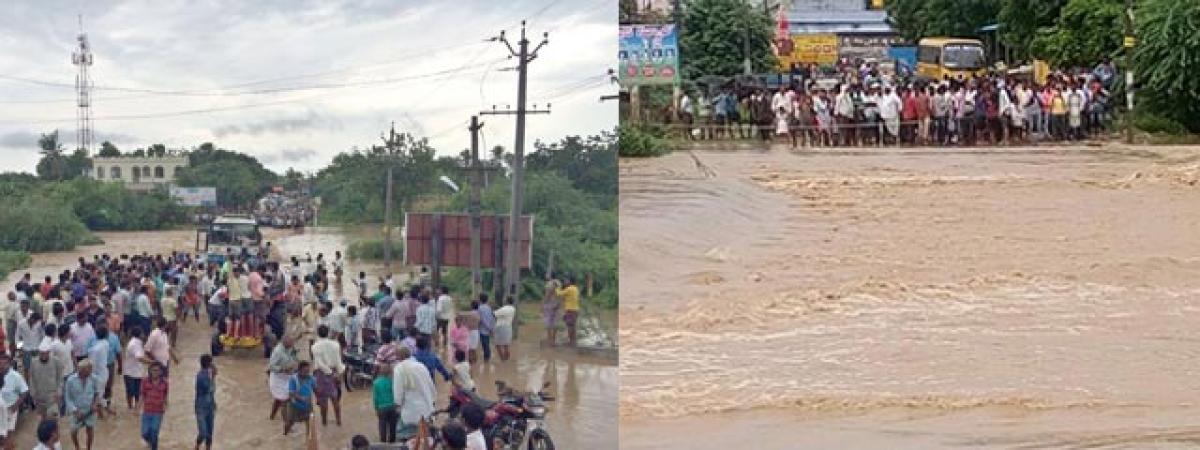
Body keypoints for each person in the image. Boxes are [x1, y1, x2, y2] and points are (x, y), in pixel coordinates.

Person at [392, 347, 436, 439]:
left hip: (410, 412)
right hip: (426, 410)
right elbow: (431, 386)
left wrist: (397, 405)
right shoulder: (421, 366)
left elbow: (398, 393)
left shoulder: (399, 369)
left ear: (399, 357)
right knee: (425, 439)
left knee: (408, 439)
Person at [310, 325, 344, 426]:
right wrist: (338, 374)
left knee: (323, 400)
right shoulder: (335, 345)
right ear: (328, 332)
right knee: (335, 398)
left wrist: (328, 373)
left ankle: (324, 422)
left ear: (318, 333)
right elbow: (338, 361)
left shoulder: (315, 346)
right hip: (334, 372)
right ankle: (338, 421)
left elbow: (319, 363)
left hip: (321, 374)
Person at [63, 359, 99, 450]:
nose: (90, 372)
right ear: (81, 370)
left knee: (90, 429)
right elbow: (67, 398)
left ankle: (88, 448)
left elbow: (97, 393)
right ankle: (77, 447)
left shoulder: (93, 378)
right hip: (76, 410)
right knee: (73, 431)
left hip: (90, 409)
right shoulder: (70, 380)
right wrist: (75, 411)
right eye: (88, 370)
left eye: (91, 370)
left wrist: (95, 404)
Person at [268, 335, 300, 421]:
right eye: (291, 342)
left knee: (279, 399)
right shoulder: (278, 351)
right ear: (285, 342)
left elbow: (294, 360)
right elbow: (271, 366)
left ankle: (272, 417)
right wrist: (283, 369)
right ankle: (287, 425)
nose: (293, 344)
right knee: (284, 401)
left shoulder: (290, 348)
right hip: (278, 378)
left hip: (287, 377)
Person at [29, 340, 63, 420]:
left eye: (46, 353)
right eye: (42, 353)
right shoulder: (34, 362)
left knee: (53, 419)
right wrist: (33, 394)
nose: (44, 355)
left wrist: (59, 392)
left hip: (52, 395)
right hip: (39, 395)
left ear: (49, 352)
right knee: (42, 417)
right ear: (39, 353)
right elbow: (31, 378)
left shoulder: (56, 361)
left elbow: (60, 378)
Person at [0, 353, 26, 449]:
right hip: (1, 408)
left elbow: (24, 392)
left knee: (8, 435)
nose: (2, 366)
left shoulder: (16, 376)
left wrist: (16, 405)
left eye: (4, 363)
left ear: (10, 364)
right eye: (0, 363)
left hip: (11, 408)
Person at [140, 362, 168, 450]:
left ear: (160, 372)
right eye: (153, 370)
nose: (155, 372)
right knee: (144, 433)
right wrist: (137, 409)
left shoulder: (165, 383)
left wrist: (165, 405)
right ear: (150, 371)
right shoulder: (145, 381)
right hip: (147, 410)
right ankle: (150, 442)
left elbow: (166, 395)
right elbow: (142, 395)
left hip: (158, 411)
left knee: (154, 431)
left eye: (157, 370)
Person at [284, 360, 315, 436]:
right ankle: (285, 434)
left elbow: (315, 389)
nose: (307, 373)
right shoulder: (293, 379)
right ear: (299, 370)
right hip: (295, 406)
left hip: (307, 405)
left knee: (310, 425)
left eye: (308, 371)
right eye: (305, 371)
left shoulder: (311, 378)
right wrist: (302, 398)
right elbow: (291, 393)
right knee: (289, 423)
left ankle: (308, 443)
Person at [194, 354, 217, 450]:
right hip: (201, 406)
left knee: (209, 431)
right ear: (208, 363)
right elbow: (208, 389)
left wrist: (214, 402)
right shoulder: (201, 376)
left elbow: (211, 392)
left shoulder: (207, 373)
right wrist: (213, 376)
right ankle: (198, 445)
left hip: (209, 404)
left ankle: (207, 447)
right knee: (204, 432)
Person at [372, 363, 397, 443]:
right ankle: (392, 441)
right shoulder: (392, 381)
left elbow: (375, 398)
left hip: (381, 408)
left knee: (382, 426)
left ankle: (383, 442)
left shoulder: (376, 383)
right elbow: (395, 393)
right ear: (390, 372)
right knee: (392, 425)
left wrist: (376, 408)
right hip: (392, 406)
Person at [123, 326, 146, 410]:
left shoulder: (137, 343)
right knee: (132, 392)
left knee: (135, 392)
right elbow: (139, 357)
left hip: (135, 371)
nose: (143, 335)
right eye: (142, 333)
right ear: (140, 334)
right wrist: (151, 362)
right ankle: (131, 408)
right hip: (131, 372)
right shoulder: (134, 344)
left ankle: (134, 408)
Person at [557, 277, 581, 347]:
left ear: (570, 281)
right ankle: (573, 341)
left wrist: (558, 287)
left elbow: (559, 294)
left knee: (570, 326)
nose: (565, 282)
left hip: (570, 310)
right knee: (573, 326)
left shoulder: (569, 289)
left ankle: (571, 342)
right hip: (575, 310)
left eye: (566, 281)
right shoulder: (576, 288)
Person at [493, 297, 515, 361]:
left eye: (504, 300)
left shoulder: (503, 309)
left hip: (501, 327)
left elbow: (494, 314)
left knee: (497, 345)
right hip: (508, 327)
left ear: (506, 301)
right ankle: (506, 360)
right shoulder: (513, 308)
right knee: (506, 345)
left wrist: (492, 307)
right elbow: (502, 311)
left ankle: (502, 359)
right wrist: (497, 307)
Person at [541, 275, 562, 345]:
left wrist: (543, 304)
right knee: (555, 323)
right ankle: (553, 339)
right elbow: (560, 297)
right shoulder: (559, 284)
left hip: (549, 306)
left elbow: (547, 295)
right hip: (557, 306)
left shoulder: (549, 284)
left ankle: (549, 339)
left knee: (548, 323)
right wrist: (559, 304)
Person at [475, 295, 495, 363]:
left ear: (480, 300)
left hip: (482, 329)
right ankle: (487, 359)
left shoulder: (480, 308)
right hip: (488, 329)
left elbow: (480, 319)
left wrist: (488, 328)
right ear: (487, 300)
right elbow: (492, 318)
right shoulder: (489, 307)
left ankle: (486, 359)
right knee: (486, 344)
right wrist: (491, 328)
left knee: (484, 344)